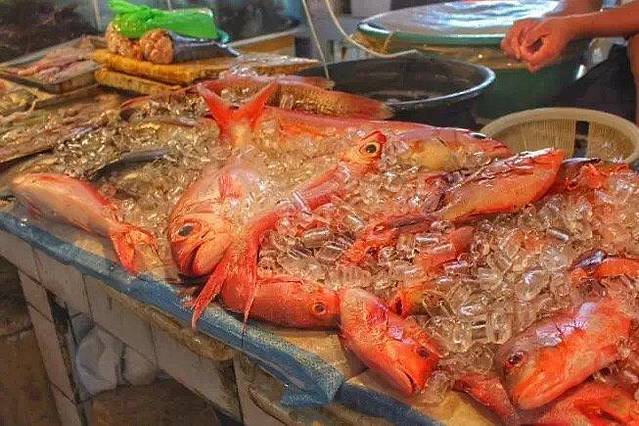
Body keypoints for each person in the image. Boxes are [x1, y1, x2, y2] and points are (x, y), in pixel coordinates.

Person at [501, 0, 639, 124]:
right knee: (549, 126)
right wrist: (542, 25)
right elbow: (587, 3)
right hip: (623, 64)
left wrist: (572, 26)